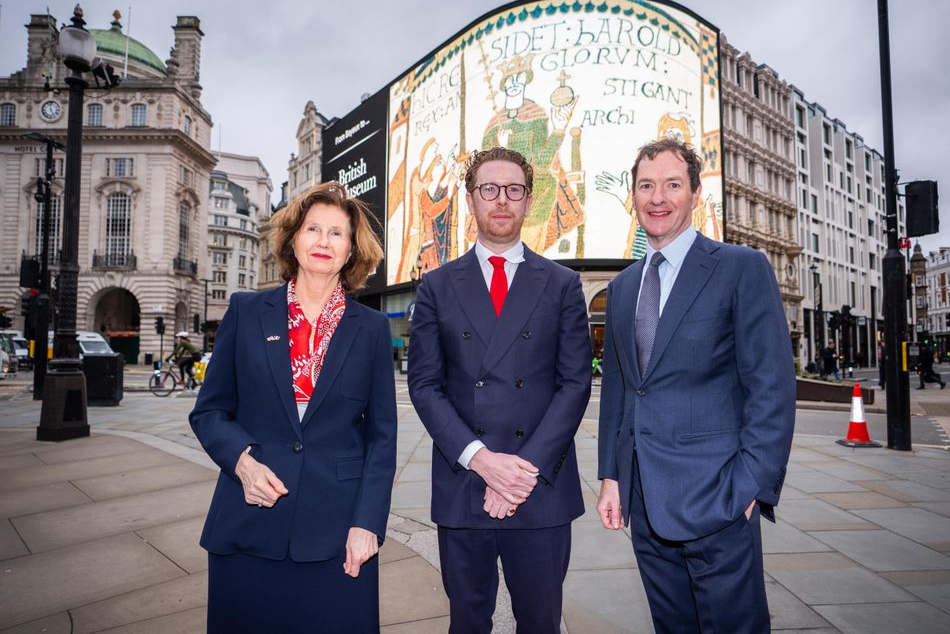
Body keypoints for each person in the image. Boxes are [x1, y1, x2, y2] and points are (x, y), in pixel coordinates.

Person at [596, 138, 795, 633]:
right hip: (644, 502)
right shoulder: (622, 288)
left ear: (695, 193)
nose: (658, 198)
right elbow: (620, 393)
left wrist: (749, 486)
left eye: (671, 185)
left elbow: (771, 387)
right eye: (646, 186)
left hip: (719, 499)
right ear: (633, 197)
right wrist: (612, 477)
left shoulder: (740, 268)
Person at [189, 181, 397, 633]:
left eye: (337, 233)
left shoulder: (373, 329)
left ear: (351, 250)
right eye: (312, 229)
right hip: (248, 521)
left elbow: (382, 438)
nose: (324, 241)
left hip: (339, 532)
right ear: (293, 240)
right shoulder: (246, 311)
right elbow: (209, 412)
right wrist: (242, 463)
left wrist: (368, 523)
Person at [408, 147, 592, 634]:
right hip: (465, 482)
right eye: (489, 189)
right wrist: (483, 461)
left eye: (514, 189)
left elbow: (575, 384)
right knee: (467, 623)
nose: (502, 200)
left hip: (539, 487)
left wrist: (520, 474)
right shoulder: (436, 286)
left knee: (541, 624)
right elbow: (424, 385)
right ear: (471, 200)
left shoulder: (562, 284)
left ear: (529, 200)